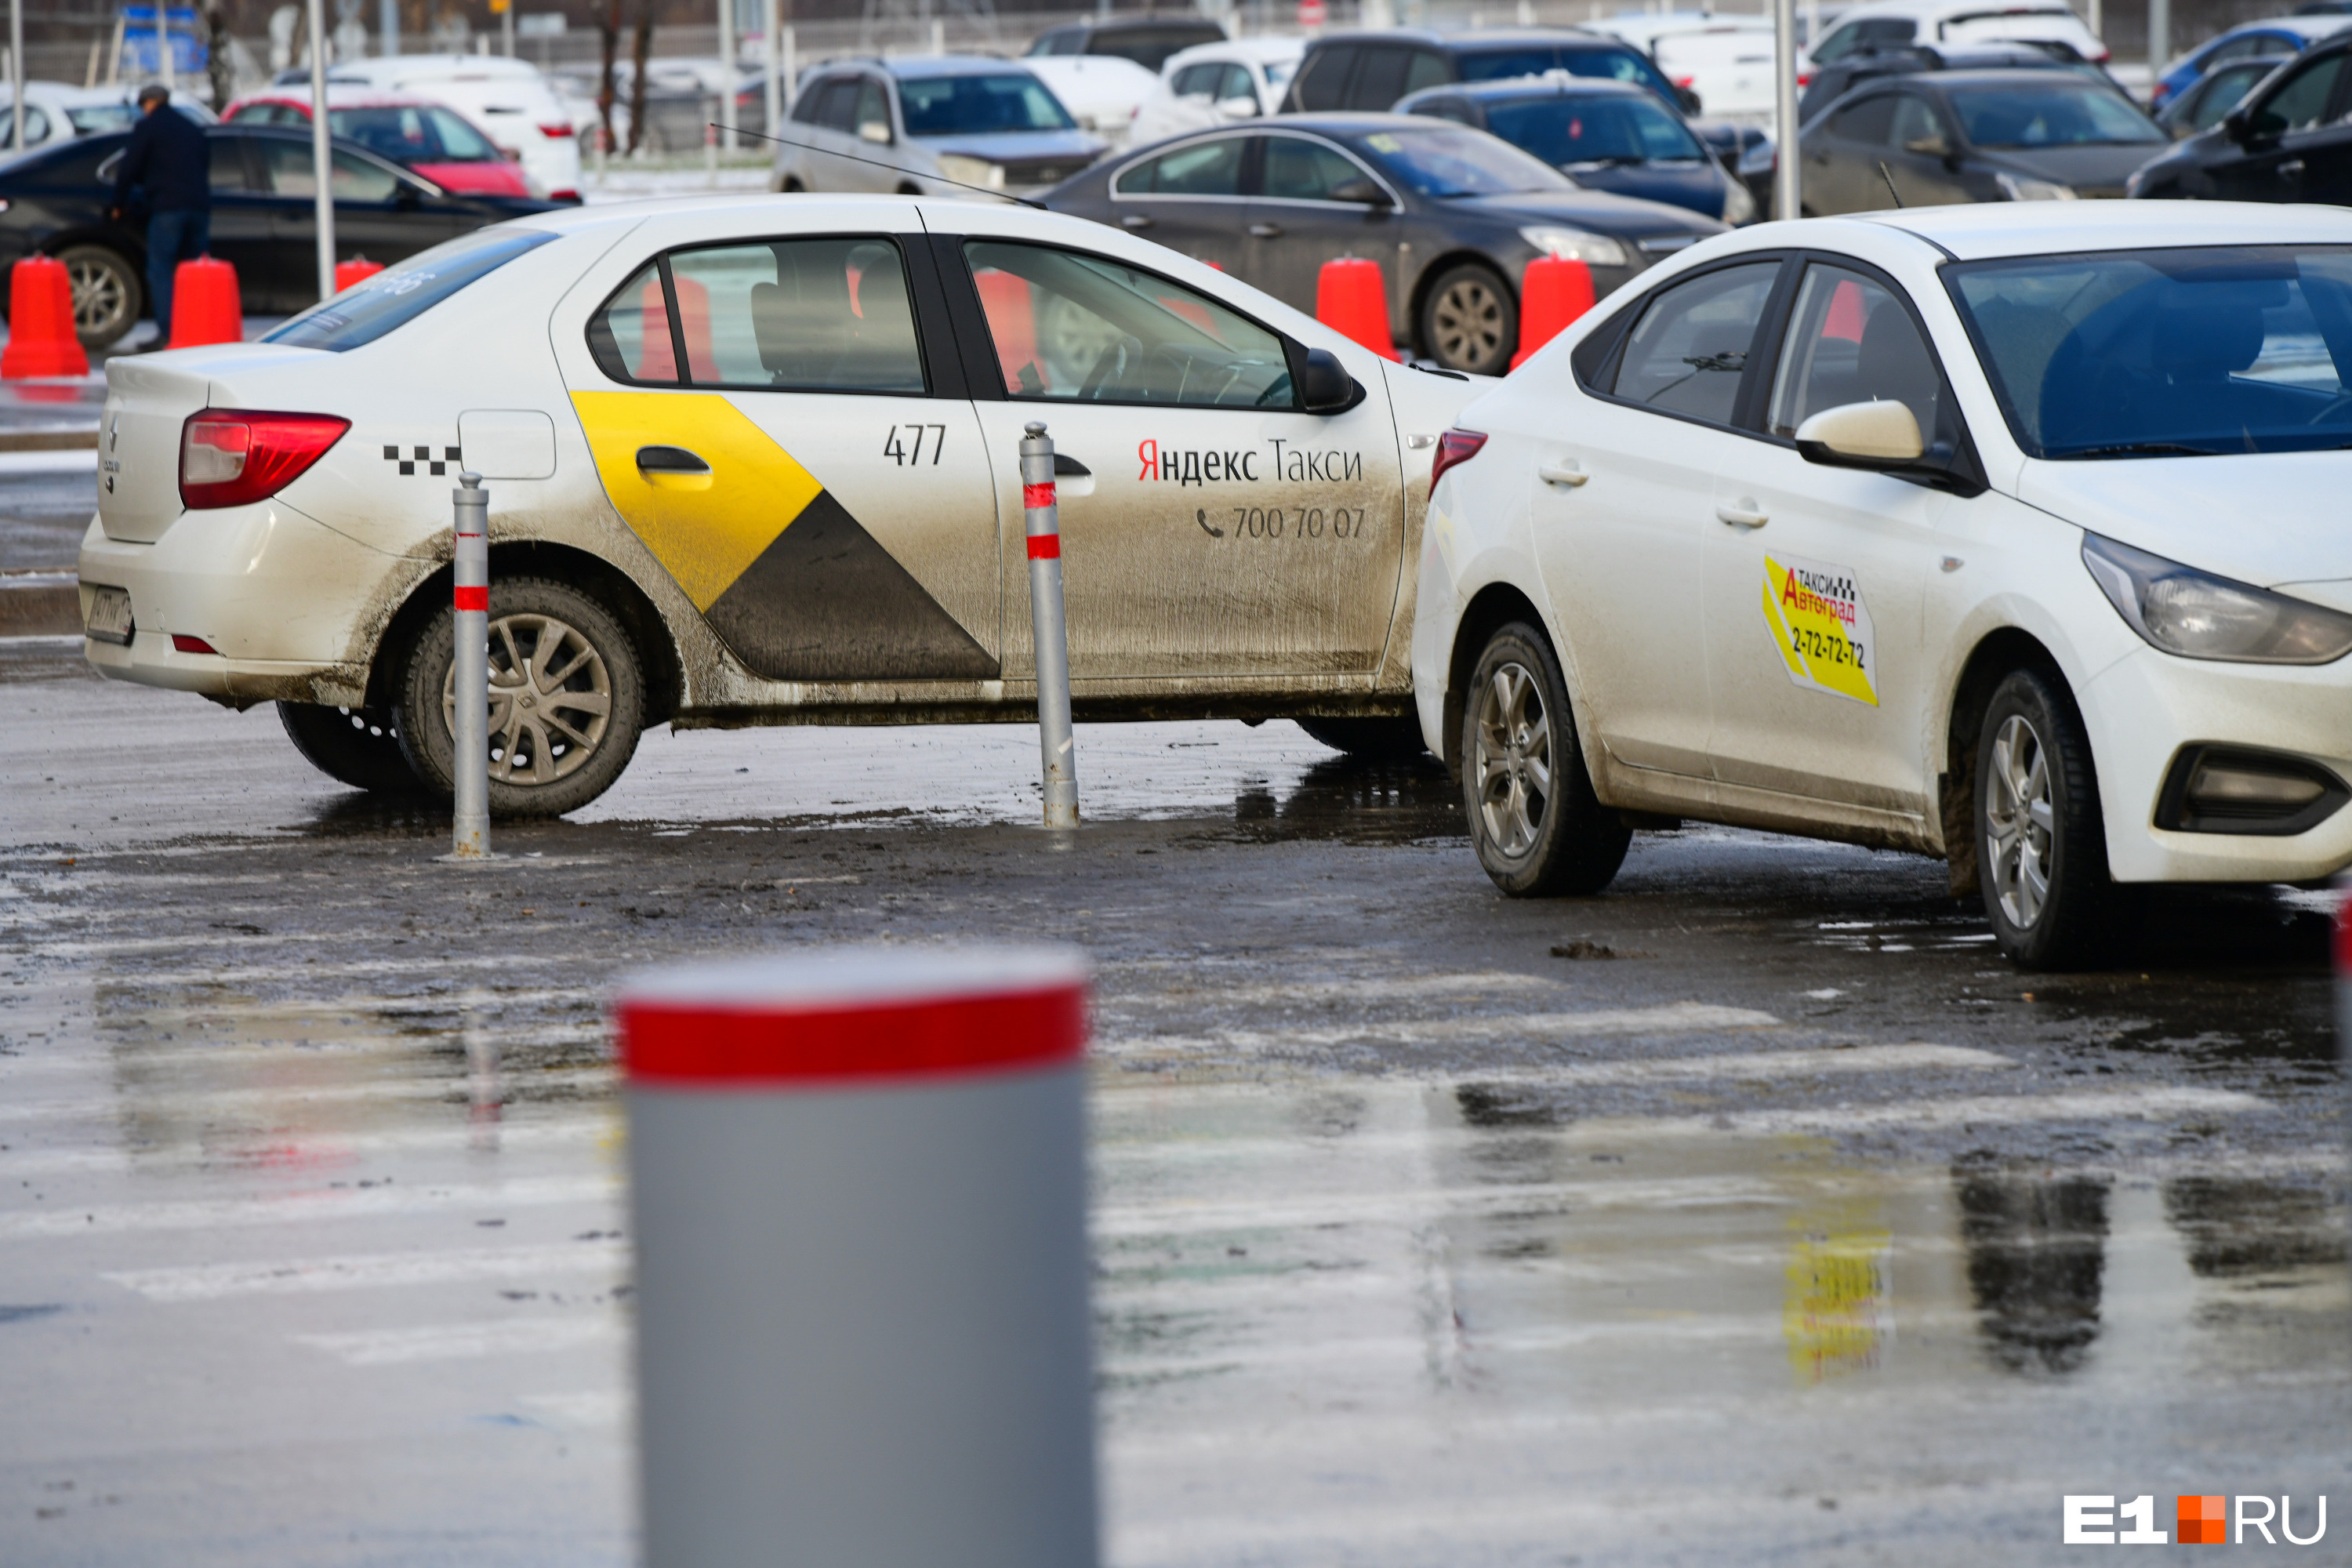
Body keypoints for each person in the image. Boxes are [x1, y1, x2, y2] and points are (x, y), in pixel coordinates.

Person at [107, 84, 211, 352]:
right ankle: (198, 331)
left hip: (167, 208)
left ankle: (168, 333)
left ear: (149, 103)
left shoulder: (148, 128)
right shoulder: (192, 127)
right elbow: (205, 163)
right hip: (199, 207)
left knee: (161, 270)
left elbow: (129, 168)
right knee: (196, 271)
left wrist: (118, 203)